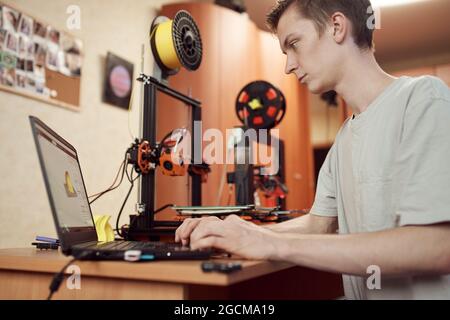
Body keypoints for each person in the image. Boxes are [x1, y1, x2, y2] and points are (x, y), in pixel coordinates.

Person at [175, 0, 450, 299]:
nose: (288, 65)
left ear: (336, 27)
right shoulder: (343, 140)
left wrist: (272, 244)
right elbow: (319, 224)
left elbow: (436, 245)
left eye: (294, 44)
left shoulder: (423, 99)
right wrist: (233, 231)